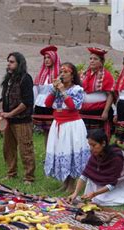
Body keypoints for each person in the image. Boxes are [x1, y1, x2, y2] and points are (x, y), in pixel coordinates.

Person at [67, 129, 124, 206]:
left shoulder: (116, 157)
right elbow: (85, 175)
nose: (91, 148)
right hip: (107, 184)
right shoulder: (96, 154)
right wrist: (75, 193)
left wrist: (94, 194)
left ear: (103, 143)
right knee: (93, 188)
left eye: (94, 145)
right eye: (90, 145)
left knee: (104, 201)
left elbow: (112, 184)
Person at [44, 62, 91, 193]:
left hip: (72, 126)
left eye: (65, 72)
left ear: (72, 75)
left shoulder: (77, 90)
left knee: (70, 152)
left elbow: (72, 106)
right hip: (58, 124)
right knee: (61, 152)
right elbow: (47, 104)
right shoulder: (57, 89)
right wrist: (54, 90)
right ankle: (65, 184)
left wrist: (63, 91)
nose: (62, 75)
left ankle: (72, 185)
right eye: (61, 72)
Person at [0, 52, 36, 185]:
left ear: (19, 63)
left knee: (25, 148)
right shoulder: (8, 79)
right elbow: (2, 98)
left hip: (22, 120)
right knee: (8, 148)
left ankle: (29, 177)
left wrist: (11, 114)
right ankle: (11, 173)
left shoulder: (26, 79)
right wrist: (2, 111)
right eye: (8, 61)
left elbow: (26, 102)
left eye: (12, 62)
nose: (8, 64)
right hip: (9, 121)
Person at [80, 47, 115, 136]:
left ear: (101, 62)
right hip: (84, 112)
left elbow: (110, 95)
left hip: (99, 112)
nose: (92, 61)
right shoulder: (84, 74)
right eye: (90, 58)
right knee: (84, 137)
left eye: (95, 59)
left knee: (98, 138)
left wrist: (106, 111)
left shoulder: (107, 76)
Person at [32, 45, 61, 148]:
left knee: (55, 132)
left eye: (49, 57)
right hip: (41, 106)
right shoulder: (40, 74)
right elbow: (36, 90)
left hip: (54, 106)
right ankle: (47, 155)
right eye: (45, 58)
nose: (46, 60)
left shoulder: (60, 74)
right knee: (46, 132)